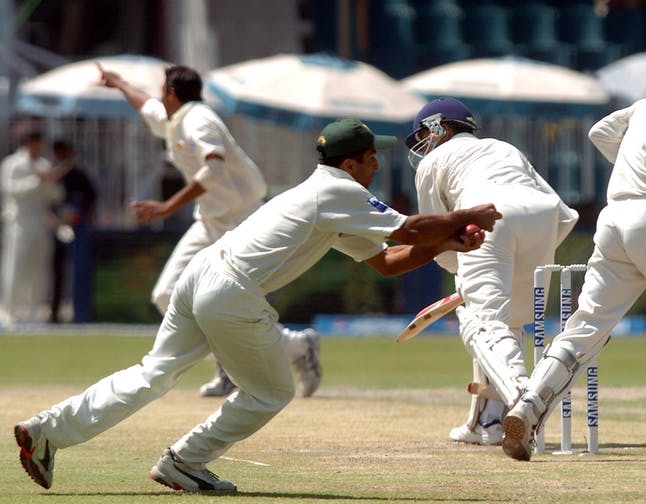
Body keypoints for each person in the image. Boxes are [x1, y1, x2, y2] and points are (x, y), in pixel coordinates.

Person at [14, 117, 501, 493]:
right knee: (270, 392)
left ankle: (46, 431)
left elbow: (388, 261)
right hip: (230, 288)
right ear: (351, 164)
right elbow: (410, 229)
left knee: (152, 372)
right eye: (372, 158)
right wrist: (465, 216)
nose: (377, 166)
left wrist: (449, 241)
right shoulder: (339, 191)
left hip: (201, 274)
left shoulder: (326, 197)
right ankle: (183, 462)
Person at [501, 46, 646, 462]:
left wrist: (637, 162)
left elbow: (599, 132)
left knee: (588, 324)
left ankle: (529, 404)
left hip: (614, 221)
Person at [98, 63, 322, 398]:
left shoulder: (199, 119)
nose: (160, 97)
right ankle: (294, 346)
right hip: (210, 220)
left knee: (232, 302)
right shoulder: (177, 118)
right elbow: (147, 105)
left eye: (163, 92)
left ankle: (263, 358)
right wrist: (119, 83)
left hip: (243, 220)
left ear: (172, 94)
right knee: (166, 294)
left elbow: (214, 168)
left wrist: (166, 207)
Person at [405, 98, 578, 446]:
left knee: (480, 322)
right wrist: (537, 249)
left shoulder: (433, 162)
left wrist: (459, 270)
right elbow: (564, 213)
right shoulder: (504, 147)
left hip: (486, 216)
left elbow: (435, 232)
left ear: (442, 127)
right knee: (507, 324)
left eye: (423, 133)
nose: (420, 144)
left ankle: (524, 396)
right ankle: (487, 424)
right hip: (541, 218)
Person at [0, 131, 63, 326]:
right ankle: (8, 312)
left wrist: (50, 180)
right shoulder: (13, 164)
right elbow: (11, 191)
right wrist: (36, 180)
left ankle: (35, 312)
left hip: (41, 223)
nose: (39, 147)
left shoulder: (43, 164)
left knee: (40, 270)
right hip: (19, 223)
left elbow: (56, 196)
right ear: (28, 143)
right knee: (15, 267)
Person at [48, 140, 97, 324]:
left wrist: (82, 220)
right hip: (56, 229)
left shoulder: (79, 175)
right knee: (56, 273)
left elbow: (91, 200)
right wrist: (55, 221)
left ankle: (80, 314)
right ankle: (54, 314)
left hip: (79, 229)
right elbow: (47, 204)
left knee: (79, 273)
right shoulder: (52, 176)